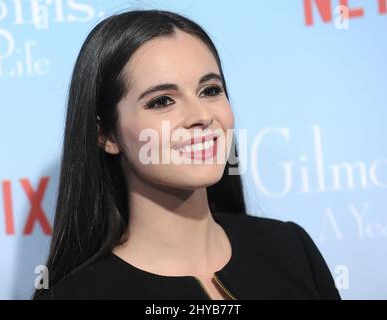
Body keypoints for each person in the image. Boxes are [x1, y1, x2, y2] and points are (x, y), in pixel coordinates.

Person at [33, 9, 340, 300]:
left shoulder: (290, 249)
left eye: (210, 90)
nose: (201, 116)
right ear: (106, 135)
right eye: (162, 101)